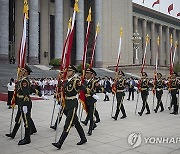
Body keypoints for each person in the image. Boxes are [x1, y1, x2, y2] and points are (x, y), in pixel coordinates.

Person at [5, 64, 46, 145]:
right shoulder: (22, 80)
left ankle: (27, 138)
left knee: (26, 120)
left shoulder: (24, 81)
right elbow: (31, 89)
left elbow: (26, 92)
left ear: (25, 72)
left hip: (25, 102)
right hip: (21, 102)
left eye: (22, 70)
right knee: (19, 119)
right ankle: (13, 134)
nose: (20, 71)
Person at [52, 65, 87, 149]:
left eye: (69, 71)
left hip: (73, 104)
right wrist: (59, 102)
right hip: (66, 104)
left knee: (67, 123)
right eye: (67, 71)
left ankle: (60, 143)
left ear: (73, 72)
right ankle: (83, 138)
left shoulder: (76, 81)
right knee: (76, 123)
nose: (67, 72)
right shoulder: (65, 81)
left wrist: (81, 86)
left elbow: (84, 89)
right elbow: (61, 91)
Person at [81, 68, 99, 136]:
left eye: (88, 73)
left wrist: (105, 92)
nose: (86, 74)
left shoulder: (94, 81)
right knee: (88, 113)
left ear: (92, 75)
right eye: (86, 73)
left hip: (92, 100)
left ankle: (90, 129)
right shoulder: (84, 82)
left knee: (91, 115)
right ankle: (94, 124)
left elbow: (99, 87)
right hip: (86, 99)